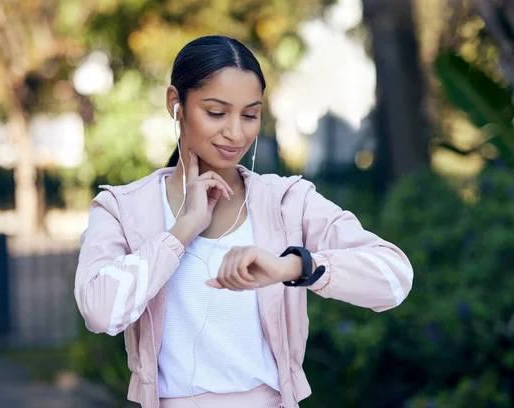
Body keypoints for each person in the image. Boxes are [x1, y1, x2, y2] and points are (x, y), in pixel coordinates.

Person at [74, 35, 413, 408]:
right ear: (176, 104)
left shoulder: (287, 202)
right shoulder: (122, 209)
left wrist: (291, 266)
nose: (236, 133)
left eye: (250, 115)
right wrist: (182, 229)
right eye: (217, 113)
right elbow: (99, 311)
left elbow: (394, 278)